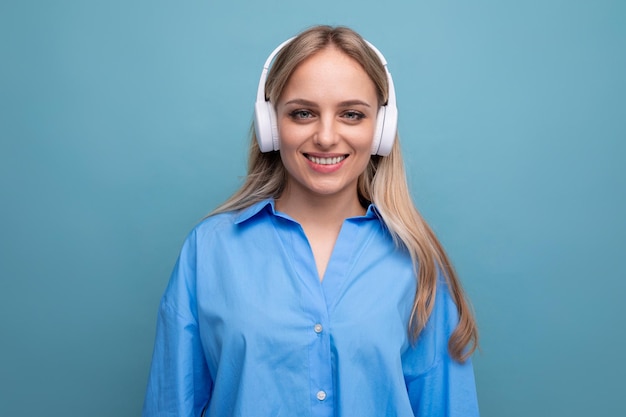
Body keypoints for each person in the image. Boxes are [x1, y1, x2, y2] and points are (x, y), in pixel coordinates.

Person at [142, 25, 479, 417]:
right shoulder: (208, 250)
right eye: (303, 113)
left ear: (381, 130)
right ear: (271, 125)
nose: (325, 136)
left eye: (351, 114)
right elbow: (171, 404)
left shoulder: (417, 262)